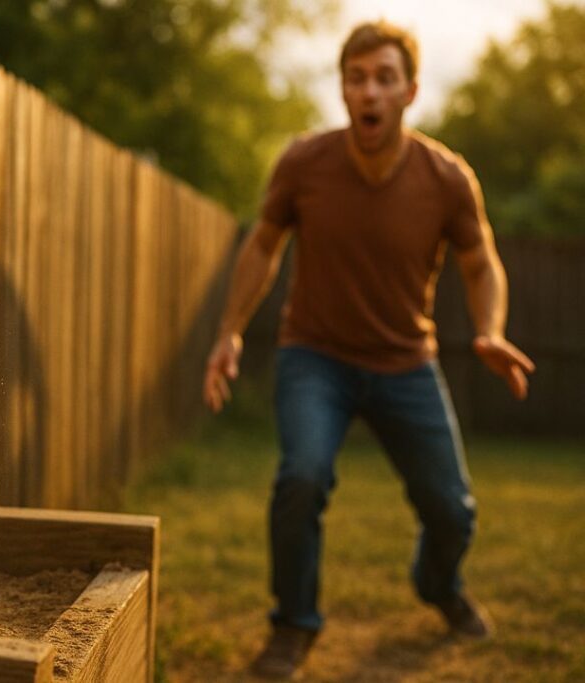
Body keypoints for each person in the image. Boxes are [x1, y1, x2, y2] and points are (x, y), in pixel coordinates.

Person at [201, 20, 536, 680]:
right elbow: (264, 246)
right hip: (315, 357)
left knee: (452, 510)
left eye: (384, 78)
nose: (370, 91)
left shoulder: (446, 177)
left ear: (409, 91)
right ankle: (293, 624)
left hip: (407, 360)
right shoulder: (304, 162)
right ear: (343, 89)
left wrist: (489, 328)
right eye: (357, 78)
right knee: (301, 476)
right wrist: (229, 330)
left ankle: (438, 584)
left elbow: (481, 262)